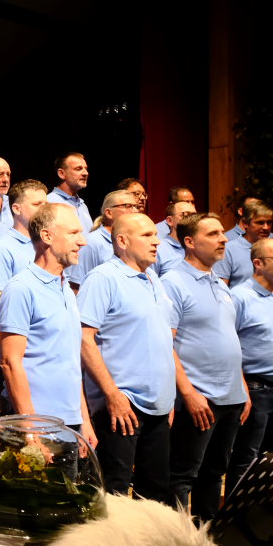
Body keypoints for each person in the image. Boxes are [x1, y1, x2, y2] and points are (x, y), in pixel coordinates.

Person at [77, 213, 175, 504]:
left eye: (155, 234)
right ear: (122, 241)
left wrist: (167, 397)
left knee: (154, 496)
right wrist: (112, 394)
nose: (157, 241)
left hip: (158, 408)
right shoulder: (103, 278)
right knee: (114, 496)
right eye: (146, 235)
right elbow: (83, 339)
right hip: (122, 405)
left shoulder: (154, 279)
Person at [161, 213, 249, 521]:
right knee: (182, 475)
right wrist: (188, 393)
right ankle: (177, 543)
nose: (223, 239)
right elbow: (165, 344)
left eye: (222, 233)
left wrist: (242, 387)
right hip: (199, 397)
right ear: (190, 242)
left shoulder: (219, 284)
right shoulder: (172, 282)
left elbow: (228, 339)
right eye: (213, 234)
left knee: (214, 473)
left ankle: (206, 538)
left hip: (231, 396)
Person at [0, 203, 96, 448]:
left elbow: (70, 363)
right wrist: (30, 430)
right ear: (47, 236)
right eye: (73, 233)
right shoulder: (21, 288)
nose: (82, 241)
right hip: (37, 426)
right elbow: (10, 363)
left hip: (70, 425)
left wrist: (84, 420)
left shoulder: (66, 289)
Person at [225, 238, 273, 496]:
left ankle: (259, 512)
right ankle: (235, 515)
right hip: (257, 389)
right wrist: (242, 388)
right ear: (258, 263)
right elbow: (229, 346)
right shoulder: (240, 297)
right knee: (246, 458)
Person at [0, 179, 49, 350]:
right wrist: (8, 352)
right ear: (16, 208)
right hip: (20, 351)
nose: (44, 210)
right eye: (37, 204)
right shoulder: (2, 248)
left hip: (45, 347)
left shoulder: (47, 245)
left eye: (46, 204)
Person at [66, 190, 140, 292]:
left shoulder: (135, 240)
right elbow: (77, 286)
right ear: (109, 213)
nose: (135, 211)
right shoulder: (92, 242)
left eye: (136, 206)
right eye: (128, 206)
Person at [214, 199, 273, 286]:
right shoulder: (228, 250)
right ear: (245, 223)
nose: (266, 227)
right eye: (260, 223)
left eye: (269, 223)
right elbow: (220, 288)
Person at [47, 152, 93, 232]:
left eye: (85, 169)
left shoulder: (82, 205)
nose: (86, 173)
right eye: (78, 169)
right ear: (61, 173)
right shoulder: (49, 202)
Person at [151, 200, 196, 276]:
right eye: (185, 215)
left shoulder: (199, 247)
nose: (192, 220)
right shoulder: (158, 250)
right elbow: (150, 280)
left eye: (194, 215)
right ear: (170, 221)